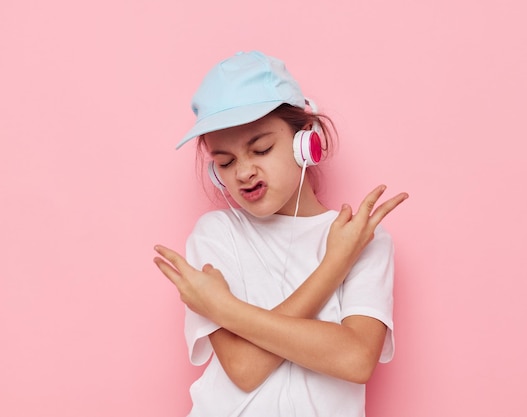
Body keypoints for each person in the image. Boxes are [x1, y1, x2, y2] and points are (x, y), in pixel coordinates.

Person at [153, 50, 409, 417]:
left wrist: (224, 308)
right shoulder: (216, 235)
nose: (242, 172)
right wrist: (333, 267)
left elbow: (355, 359)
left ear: (306, 143)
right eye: (225, 162)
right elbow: (244, 368)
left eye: (261, 148)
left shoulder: (362, 238)